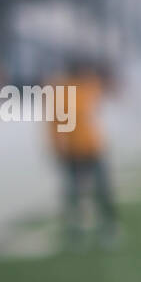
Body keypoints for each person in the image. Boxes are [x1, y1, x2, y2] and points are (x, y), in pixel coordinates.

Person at [45, 56, 119, 248]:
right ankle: (75, 233)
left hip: (93, 147)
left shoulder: (90, 86)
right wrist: (57, 148)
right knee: (73, 194)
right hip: (72, 150)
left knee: (102, 190)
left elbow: (110, 92)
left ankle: (108, 228)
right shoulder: (61, 90)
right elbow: (54, 125)